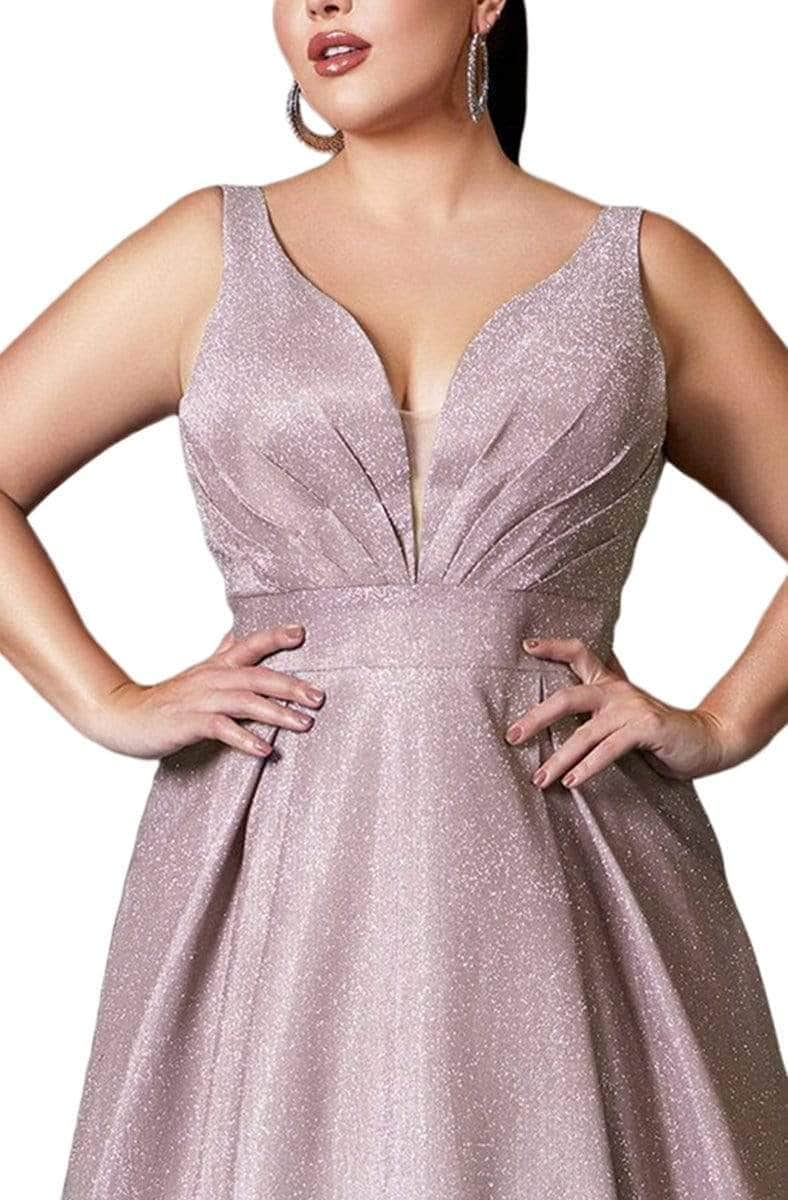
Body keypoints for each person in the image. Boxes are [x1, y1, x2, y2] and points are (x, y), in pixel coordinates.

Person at [1, 1, 786, 1196]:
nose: (319, 4)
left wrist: (727, 720)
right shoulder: (206, 250)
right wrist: (104, 698)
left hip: (573, 861)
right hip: (276, 861)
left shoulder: (642, 270)